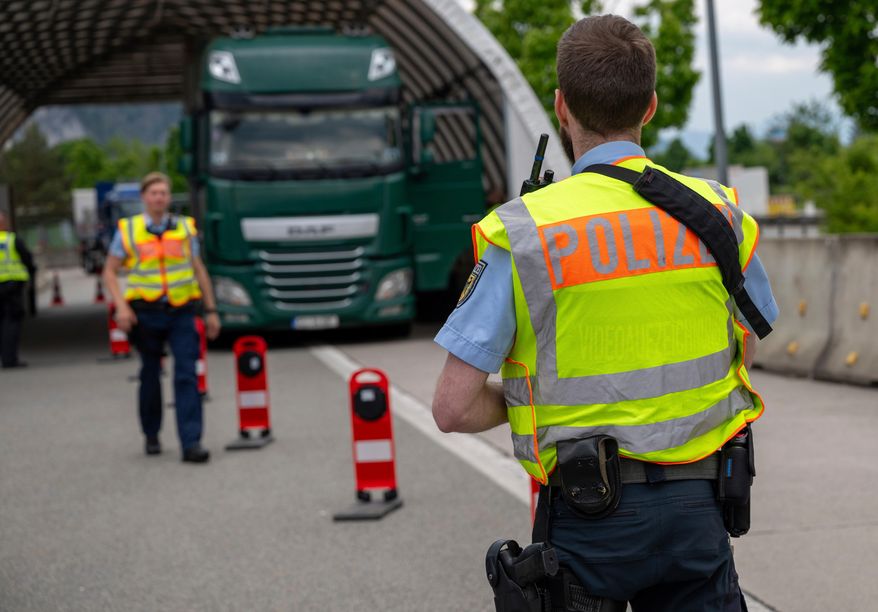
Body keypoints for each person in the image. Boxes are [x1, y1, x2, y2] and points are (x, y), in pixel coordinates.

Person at [432, 15, 779, 611]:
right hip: (702, 506)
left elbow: (453, 408)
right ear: (650, 106)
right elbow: (745, 343)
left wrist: (535, 403)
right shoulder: (718, 213)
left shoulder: (522, 232)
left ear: (562, 107)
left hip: (587, 515)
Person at [103, 172, 220, 463]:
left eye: (164, 193)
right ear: (144, 197)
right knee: (150, 374)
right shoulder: (128, 230)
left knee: (186, 375)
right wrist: (122, 307)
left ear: (169, 197)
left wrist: (211, 309)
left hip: (181, 311)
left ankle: (191, 443)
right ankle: (151, 432)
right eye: (154, 193)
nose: (159, 198)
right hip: (146, 313)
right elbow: (109, 270)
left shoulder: (184, 228)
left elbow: (198, 269)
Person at [0, 211, 35, 369]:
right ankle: (9, 359)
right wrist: (31, 274)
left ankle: (6, 358)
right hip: (12, 286)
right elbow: (27, 259)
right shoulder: (11, 240)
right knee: (11, 322)